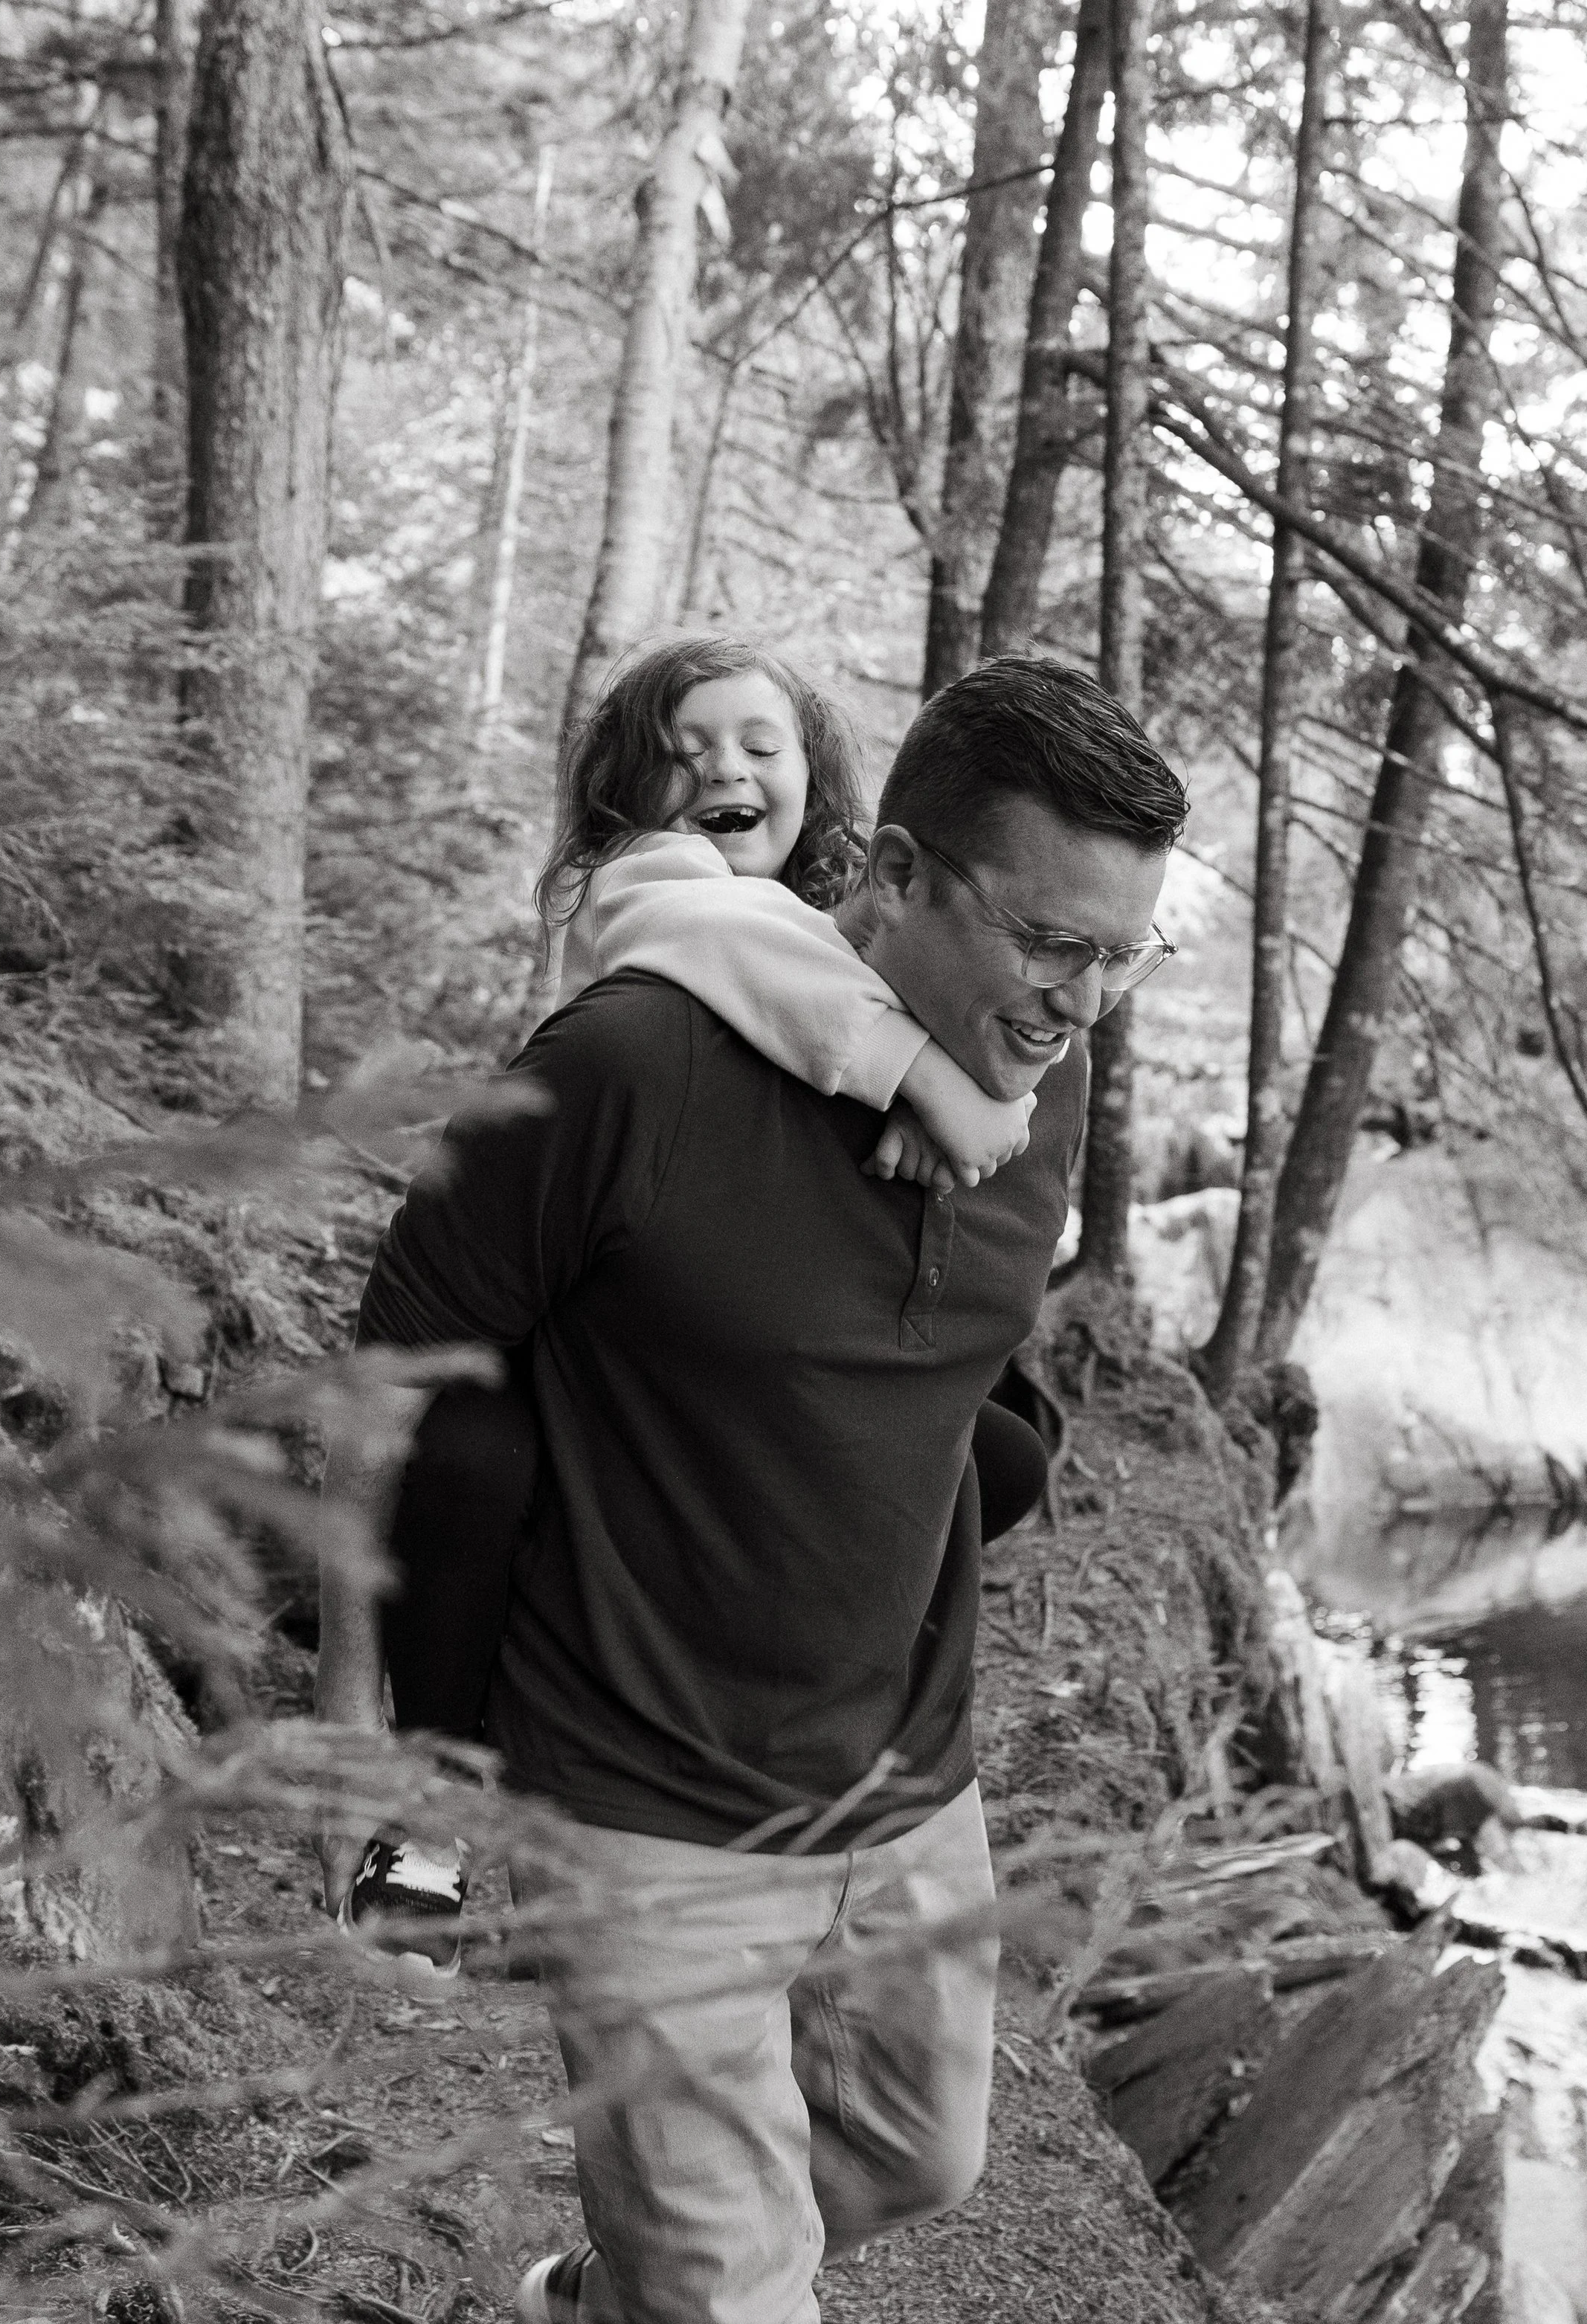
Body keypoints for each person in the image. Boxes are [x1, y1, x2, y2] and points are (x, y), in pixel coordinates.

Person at [318, 652, 1185, 2324]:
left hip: (906, 1777)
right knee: (733, 2285)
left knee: (913, 2154)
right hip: (643, 1796)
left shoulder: (1036, 1076)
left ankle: (598, 2293)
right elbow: (395, 1374)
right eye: (1047, 941)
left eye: (1117, 955)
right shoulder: (630, 1064)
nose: (1079, 998)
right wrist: (363, 1742)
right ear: (897, 873)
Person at [338, 638, 1051, 1969]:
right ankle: (431, 1815)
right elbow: (736, 952)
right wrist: (933, 1085)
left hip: (733, 1413)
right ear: (629, 796)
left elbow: (1001, 996)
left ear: (817, 780)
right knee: (476, 1469)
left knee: (994, 1455)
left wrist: (969, 1088)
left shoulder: (846, 921)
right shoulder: (652, 894)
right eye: (683, 747)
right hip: (570, 1361)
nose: (722, 765)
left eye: (758, 743)